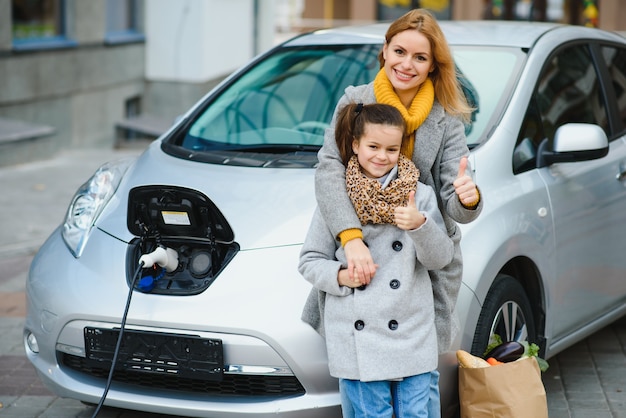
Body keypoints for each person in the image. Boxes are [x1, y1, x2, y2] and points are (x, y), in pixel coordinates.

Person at [301, 8, 482, 417]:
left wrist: (468, 198)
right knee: (368, 391)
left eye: (420, 57)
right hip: (363, 245)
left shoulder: (446, 117)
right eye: (400, 51)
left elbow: (453, 199)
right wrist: (350, 239)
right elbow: (330, 168)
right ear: (384, 50)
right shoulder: (356, 101)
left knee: (420, 383)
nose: (407, 64)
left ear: (434, 64)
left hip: (421, 247)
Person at [299, 102, 454, 418]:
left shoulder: (419, 196)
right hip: (360, 339)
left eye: (391, 149)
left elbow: (441, 259)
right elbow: (309, 260)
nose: (382, 156)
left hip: (411, 329)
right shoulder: (337, 197)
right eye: (373, 146)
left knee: (417, 413)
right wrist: (342, 276)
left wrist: (419, 225)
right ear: (355, 145)